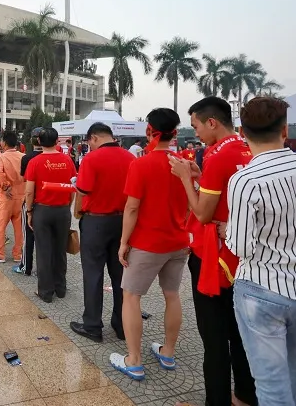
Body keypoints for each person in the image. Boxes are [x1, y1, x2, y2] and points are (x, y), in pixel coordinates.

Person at [227, 97, 296, 406]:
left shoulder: (245, 179)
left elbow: (241, 246)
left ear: (242, 132)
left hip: (262, 289)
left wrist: (225, 233)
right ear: (285, 130)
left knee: (271, 382)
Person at [168, 97, 256, 406]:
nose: (197, 134)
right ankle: (245, 394)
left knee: (215, 336)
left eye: (196, 126)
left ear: (212, 122)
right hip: (243, 256)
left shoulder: (218, 156)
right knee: (241, 331)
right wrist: (197, 174)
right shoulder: (248, 149)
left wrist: (184, 179)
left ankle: (216, 400)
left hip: (214, 256)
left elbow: (203, 213)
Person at [110, 108, 189, 382]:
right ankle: (167, 353)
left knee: (131, 297)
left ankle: (134, 360)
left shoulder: (140, 164)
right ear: (175, 133)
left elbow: (132, 208)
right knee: (172, 295)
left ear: (149, 131)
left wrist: (123, 242)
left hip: (147, 243)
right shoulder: (185, 164)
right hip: (178, 242)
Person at [70, 122, 135, 343]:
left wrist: (76, 197)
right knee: (121, 275)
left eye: (89, 142)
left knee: (93, 274)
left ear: (94, 138)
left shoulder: (92, 159)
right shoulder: (130, 158)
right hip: (123, 222)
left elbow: (83, 190)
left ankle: (92, 325)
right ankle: (121, 325)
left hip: (96, 222)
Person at [24, 127, 77, 303]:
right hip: (62, 210)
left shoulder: (35, 162)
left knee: (44, 251)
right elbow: (73, 187)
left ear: (39, 142)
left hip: (43, 210)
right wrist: (67, 205)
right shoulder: (67, 160)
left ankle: (46, 292)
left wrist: (29, 211)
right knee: (60, 249)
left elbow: (30, 191)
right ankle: (60, 287)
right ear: (57, 142)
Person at [0, 131, 25, 263]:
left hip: (6, 197)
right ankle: (18, 254)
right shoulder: (24, 157)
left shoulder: (1, 158)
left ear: (4, 143)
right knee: (19, 228)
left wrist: (5, 186)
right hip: (21, 197)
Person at [13, 128, 43, 276]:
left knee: (29, 234)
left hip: (31, 200)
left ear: (32, 140)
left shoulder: (27, 158)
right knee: (45, 238)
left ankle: (26, 266)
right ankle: (43, 269)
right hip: (49, 202)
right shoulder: (57, 157)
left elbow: (25, 180)